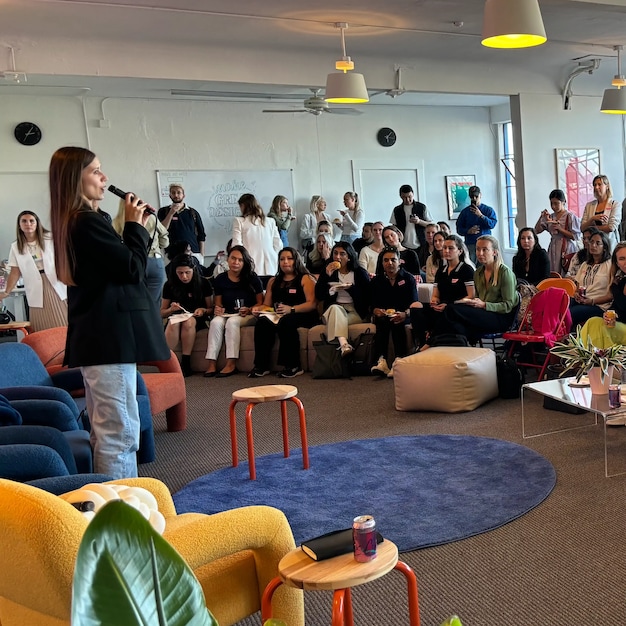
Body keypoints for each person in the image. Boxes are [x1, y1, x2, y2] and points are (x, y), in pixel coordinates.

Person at [49, 146, 169, 479]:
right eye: (96, 171)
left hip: (107, 339)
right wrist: (134, 226)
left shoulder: (88, 221)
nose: (104, 179)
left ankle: (122, 506)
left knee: (122, 428)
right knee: (117, 433)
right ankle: (118, 514)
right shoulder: (85, 223)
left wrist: (135, 227)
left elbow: (122, 268)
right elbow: (132, 269)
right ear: (76, 179)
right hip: (106, 340)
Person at [249, 248, 318, 378]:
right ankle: (261, 365)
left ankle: (293, 366)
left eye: (289, 258)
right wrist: (258, 309)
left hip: (303, 314)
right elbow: (267, 305)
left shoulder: (305, 278)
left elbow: (312, 304)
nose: (285, 262)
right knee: (262, 322)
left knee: (287, 322)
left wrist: (291, 309)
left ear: (296, 260)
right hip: (279, 315)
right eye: (282, 259)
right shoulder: (273, 281)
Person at [0, 210, 68, 331]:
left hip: (55, 282)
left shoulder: (51, 238)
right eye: (24, 221)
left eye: (32, 221)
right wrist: (6, 292)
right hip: (35, 287)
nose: (28, 224)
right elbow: (15, 272)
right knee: (41, 323)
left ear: (37, 223)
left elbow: (65, 258)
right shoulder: (16, 247)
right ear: (19, 226)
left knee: (63, 317)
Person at [444, 235, 518, 344]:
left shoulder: (504, 273)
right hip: (483, 313)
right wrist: (471, 302)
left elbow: (508, 306)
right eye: (478, 249)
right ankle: (461, 345)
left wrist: (484, 305)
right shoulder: (478, 272)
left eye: (485, 250)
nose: (480, 253)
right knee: (452, 316)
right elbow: (478, 298)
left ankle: (435, 342)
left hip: (501, 317)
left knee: (451, 310)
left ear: (494, 252)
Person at [204, 245, 264, 378]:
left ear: (244, 262)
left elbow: (261, 302)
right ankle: (211, 363)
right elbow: (217, 303)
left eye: (240, 260)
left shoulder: (252, 278)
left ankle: (231, 363)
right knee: (215, 322)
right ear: (228, 259)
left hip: (246, 314)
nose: (236, 263)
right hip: (227, 313)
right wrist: (218, 309)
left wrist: (249, 309)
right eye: (233, 259)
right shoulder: (220, 279)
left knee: (232, 322)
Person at [410, 234, 474, 349]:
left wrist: (449, 304)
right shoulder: (441, 271)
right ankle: (421, 342)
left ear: (459, 251)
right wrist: (434, 301)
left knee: (446, 312)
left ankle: (430, 343)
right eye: (445, 248)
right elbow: (435, 294)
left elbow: (471, 296)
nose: (446, 251)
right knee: (416, 307)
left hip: (457, 308)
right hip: (441, 306)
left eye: (451, 248)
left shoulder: (466, 269)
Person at [161, 253, 213, 377]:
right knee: (174, 323)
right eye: (180, 273)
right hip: (176, 317)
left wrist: (203, 310)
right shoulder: (169, 285)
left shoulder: (203, 283)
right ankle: (168, 361)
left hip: (196, 318)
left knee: (188, 322)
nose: (184, 276)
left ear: (193, 270)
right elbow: (162, 313)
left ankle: (186, 362)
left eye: (187, 272)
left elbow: (211, 308)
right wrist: (171, 310)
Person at [369, 246, 418, 377]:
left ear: (399, 261)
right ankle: (382, 361)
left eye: (393, 260)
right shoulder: (377, 281)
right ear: (382, 262)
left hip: (405, 314)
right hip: (384, 315)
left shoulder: (408, 279)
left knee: (397, 321)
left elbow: (414, 303)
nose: (389, 263)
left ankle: (398, 360)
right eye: (386, 260)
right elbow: (372, 303)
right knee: (383, 321)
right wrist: (375, 310)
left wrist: (405, 314)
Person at [315, 241, 370, 356]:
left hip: (355, 311)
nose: (337, 257)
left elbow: (367, 297)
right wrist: (326, 276)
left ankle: (340, 344)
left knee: (335, 317)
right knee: (335, 309)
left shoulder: (359, 273)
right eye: (335, 253)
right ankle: (344, 344)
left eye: (342, 254)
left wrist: (350, 288)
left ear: (349, 257)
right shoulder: (328, 271)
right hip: (334, 308)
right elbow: (319, 295)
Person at [113, 200, 169, 308]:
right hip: (155, 260)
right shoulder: (151, 218)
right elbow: (165, 240)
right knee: (155, 302)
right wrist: (156, 247)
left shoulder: (117, 221)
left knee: (137, 302)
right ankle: (155, 324)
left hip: (133, 263)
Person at [569, 229, 613, 328]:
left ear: (605, 247)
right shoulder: (585, 264)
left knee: (569, 313)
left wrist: (591, 301)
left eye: (598, 243)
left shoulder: (610, 265)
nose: (593, 246)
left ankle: (568, 338)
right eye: (591, 242)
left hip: (598, 305)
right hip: (582, 301)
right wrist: (576, 294)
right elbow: (577, 286)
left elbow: (611, 296)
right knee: (560, 306)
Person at [232, 193, 282, 276]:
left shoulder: (239, 221)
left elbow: (237, 245)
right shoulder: (270, 221)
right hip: (272, 264)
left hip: (250, 264)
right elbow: (278, 244)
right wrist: (274, 256)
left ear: (243, 205)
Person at [535, 189, 581, 276]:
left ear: (563, 202)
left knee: (566, 273)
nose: (553, 206)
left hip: (566, 248)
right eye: (551, 203)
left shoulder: (570, 216)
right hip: (553, 248)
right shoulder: (551, 216)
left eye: (556, 203)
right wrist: (541, 217)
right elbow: (537, 230)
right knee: (553, 273)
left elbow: (576, 237)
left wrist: (560, 229)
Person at [157, 184, 206, 262]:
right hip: (171, 254)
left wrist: (201, 254)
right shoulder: (163, 211)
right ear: (170, 195)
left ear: (183, 195)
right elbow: (161, 230)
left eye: (179, 192)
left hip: (193, 252)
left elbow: (201, 234)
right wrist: (171, 213)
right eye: (173, 193)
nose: (176, 195)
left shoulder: (193, 212)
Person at [455, 186, 498, 263]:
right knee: (471, 267)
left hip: (486, 245)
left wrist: (481, 216)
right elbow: (459, 229)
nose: (474, 199)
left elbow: (492, 225)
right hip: (470, 245)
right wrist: (468, 231)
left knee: (487, 266)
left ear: (480, 195)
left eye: (476, 196)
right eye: (472, 197)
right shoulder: (465, 212)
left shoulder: (488, 210)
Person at [580, 174, 621, 251]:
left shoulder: (615, 205)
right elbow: (582, 228)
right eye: (594, 185)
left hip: (608, 245)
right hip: (592, 247)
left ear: (607, 186)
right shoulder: (589, 206)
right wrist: (592, 219)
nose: (596, 187)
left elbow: (611, 227)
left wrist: (592, 228)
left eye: (599, 184)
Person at [389, 184, 433, 251]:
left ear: (413, 194)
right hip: (403, 245)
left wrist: (419, 221)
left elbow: (431, 225)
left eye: (409, 196)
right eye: (404, 197)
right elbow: (393, 228)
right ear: (400, 196)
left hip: (422, 244)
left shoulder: (422, 207)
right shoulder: (397, 210)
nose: (407, 199)